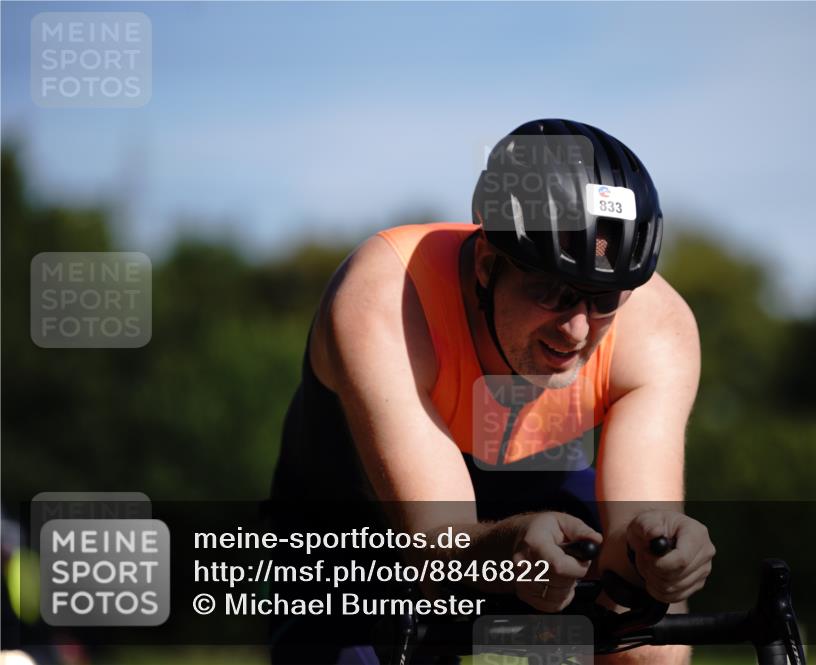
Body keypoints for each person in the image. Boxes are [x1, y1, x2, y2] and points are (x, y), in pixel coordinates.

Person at [269, 119, 715, 664]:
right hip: (358, 519)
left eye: (603, 300)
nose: (577, 328)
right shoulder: (384, 296)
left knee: (650, 645)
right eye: (552, 291)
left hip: (529, 487)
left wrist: (659, 551)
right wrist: (509, 549)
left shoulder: (656, 327)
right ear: (486, 264)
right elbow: (436, 548)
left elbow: (631, 547)